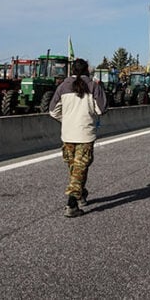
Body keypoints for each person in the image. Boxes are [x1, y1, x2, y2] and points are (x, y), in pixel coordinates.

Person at [49, 58, 107, 218]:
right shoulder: (94, 86)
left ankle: (78, 196)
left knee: (75, 168)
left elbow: (53, 111)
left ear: (72, 70)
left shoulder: (62, 86)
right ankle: (72, 204)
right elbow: (102, 109)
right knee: (79, 169)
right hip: (85, 134)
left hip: (67, 134)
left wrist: (67, 119)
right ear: (87, 70)